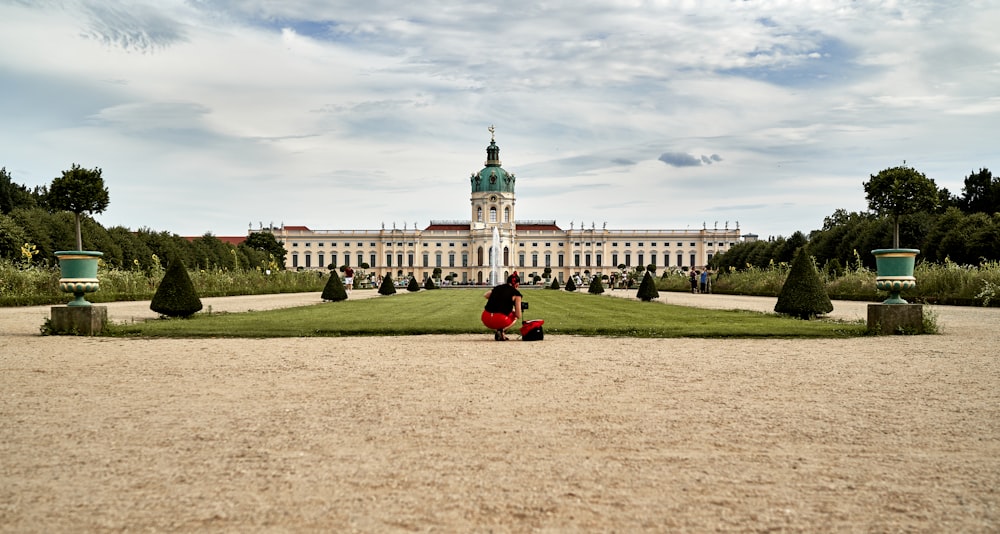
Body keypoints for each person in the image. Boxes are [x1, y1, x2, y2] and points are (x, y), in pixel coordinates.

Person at [482, 272, 523, 341]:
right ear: (517, 284)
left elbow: (486, 295)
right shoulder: (516, 294)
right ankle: (501, 331)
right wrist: (512, 309)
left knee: (501, 314)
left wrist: (498, 298)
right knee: (514, 317)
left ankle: (500, 333)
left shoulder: (498, 287)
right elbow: (518, 315)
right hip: (500, 319)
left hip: (486, 318)